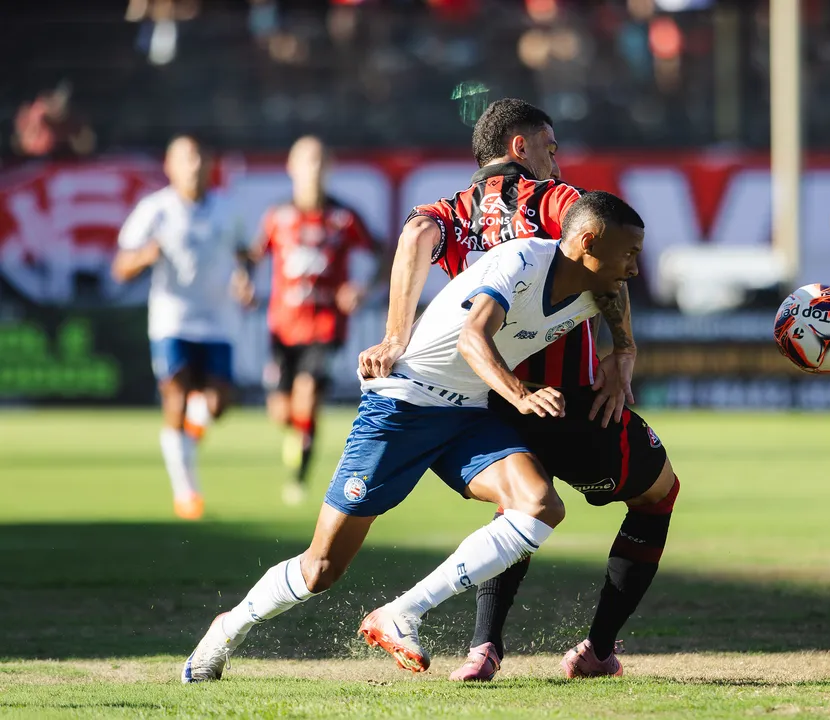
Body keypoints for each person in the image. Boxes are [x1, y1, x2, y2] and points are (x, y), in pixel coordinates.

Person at [180, 191, 644, 683]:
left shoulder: (598, 282)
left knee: (540, 506)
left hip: (466, 413)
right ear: (589, 241)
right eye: (629, 253)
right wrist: (521, 395)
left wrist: (625, 352)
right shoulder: (524, 259)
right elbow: (472, 338)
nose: (635, 268)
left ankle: (403, 613)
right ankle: (227, 629)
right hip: (402, 405)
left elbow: (615, 299)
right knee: (321, 569)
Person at [358, 98, 679, 680]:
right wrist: (623, 350)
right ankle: (598, 650)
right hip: (568, 397)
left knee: (521, 506)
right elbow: (605, 252)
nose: (556, 160)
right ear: (519, 147)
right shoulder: (553, 198)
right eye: (550, 146)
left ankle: (484, 648)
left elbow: (416, 235)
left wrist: (394, 337)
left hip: (487, 402)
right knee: (658, 493)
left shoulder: (449, 213)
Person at [233, 136, 386, 504]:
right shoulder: (277, 217)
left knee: (307, 397)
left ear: (329, 167)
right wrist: (243, 282)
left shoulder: (344, 218)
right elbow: (253, 257)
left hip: (326, 326)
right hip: (283, 327)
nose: (313, 169)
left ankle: (299, 477)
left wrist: (362, 289)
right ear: (291, 167)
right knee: (281, 412)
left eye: (319, 161)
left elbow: (384, 253)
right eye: (306, 161)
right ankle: (297, 436)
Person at [112, 135, 242, 521]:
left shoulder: (227, 210)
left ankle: (194, 427)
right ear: (169, 166)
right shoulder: (156, 209)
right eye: (186, 158)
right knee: (176, 392)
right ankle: (186, 493)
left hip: (218, 321)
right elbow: (120, 266)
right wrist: (143, 257)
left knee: (217, 405)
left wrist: (244, 280)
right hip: (172, 318)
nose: (194, 165)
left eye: (201, 157)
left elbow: (246, 254)